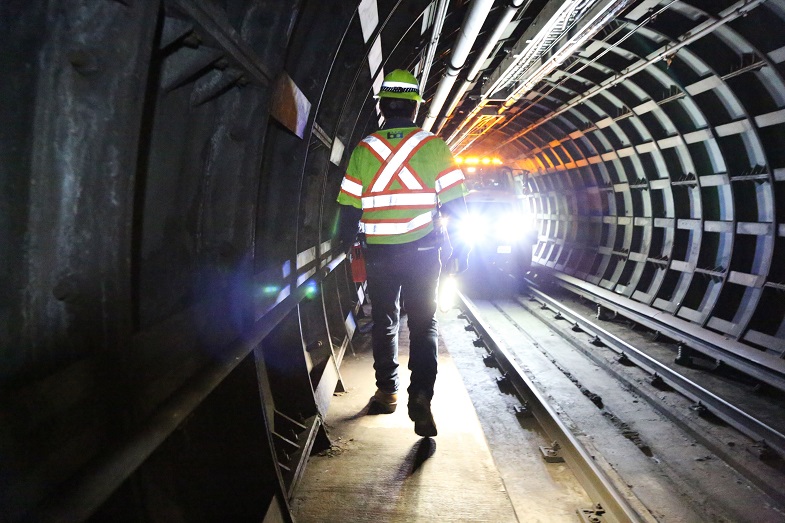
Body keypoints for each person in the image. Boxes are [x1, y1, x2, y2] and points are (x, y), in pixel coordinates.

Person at [335, 69, 470, 437]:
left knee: (385, 321)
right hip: (424, 253)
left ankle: (387, 391)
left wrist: (342, 245)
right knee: (424, 324)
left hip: (380, 255)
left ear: (381, 106)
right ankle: (421, 395)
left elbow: (348, 211)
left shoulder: (364, 150)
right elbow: (456, 207)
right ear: (413, 107)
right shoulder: (434, 147)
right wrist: (461, 250)